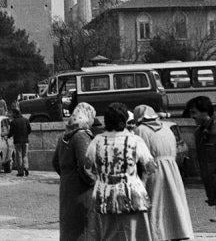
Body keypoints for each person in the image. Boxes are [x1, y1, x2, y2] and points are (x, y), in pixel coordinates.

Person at [85, 102, 155, 239]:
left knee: (109, 234)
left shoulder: (97, 141)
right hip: (133, 194)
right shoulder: (135, 140)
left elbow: (87, 168)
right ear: (124, 119)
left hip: (104, 195)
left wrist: (100, 179)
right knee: (134, 234)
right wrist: (142, 182)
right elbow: (150, 167)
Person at [133, 104, 194, 240]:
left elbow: (141, 155)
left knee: (156, 202)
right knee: (173, 201)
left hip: (153, 170)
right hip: (172, 169)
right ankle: (178, 230)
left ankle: (158, 234)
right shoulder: (166, 128)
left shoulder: (140, 130)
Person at [52, 102, 96, 241]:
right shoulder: (81, 136)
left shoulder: (63, 137)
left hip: (67, 188)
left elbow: (55, 163)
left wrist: (67, 175)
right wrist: (94, 182)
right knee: (83, 228)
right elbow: (86, 166)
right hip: (81, 191)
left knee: (68, 228)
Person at [187, 95, 216, 223]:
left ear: (205, 111)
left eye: (194, 112)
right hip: (209, 177)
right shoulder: (199, 132)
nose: (192, 116)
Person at [8, 107, 32, 176]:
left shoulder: (13, 122)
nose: (11, 115)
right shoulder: (26, 120)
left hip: (17, 141)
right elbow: (29, 130)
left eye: (12, 114)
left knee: (18, 156)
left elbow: (11, 132)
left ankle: (20, 172)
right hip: (25, 140)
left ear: (15, 114)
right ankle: (26, 167)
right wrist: (25, 135)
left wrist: (8, 136)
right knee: (25, 155)